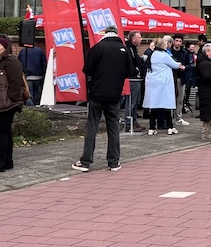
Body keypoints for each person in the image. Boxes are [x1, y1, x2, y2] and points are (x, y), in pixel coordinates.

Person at [71, 25, 134, 172]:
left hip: (97, 93)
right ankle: (114, 161)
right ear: (116, 34)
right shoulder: (124, 50)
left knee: (92, 126)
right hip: (114, 94)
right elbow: (130, 71)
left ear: (105, 34)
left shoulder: (97, 48)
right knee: (113, 127)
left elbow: (87, 70)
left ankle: (86, 161)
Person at [0, 36, 27, 173]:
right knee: (4, 132)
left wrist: (11, 99)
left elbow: (16, 83)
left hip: (6, 104)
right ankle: (7, 161)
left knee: (2, 133)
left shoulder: (11, 61)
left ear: (5, 47)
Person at [144, 35, 181, 135]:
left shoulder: (152, 54)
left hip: (153, 82)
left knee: (154, 105)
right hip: (163, 83)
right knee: (166, 104)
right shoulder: (164, 55)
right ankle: (170, 127)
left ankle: (151, 128)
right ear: (162, 45)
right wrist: (180, 65)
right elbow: (174, 64)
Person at [124, 31, 147, 132]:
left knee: (136, 101)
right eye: (139, 37)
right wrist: (136, 70)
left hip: (137, 78)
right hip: (133, 78)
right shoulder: (129, 49)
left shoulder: (134, 49)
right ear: (133, 39)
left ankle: (134, 121)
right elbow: (130, 62)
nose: (141, 39)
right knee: (131, 102)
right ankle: (128, 123)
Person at [168, 35, 191, 126]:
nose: (178, 43)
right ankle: (170, 117)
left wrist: (185, 67)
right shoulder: (169, 52)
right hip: (171, 77)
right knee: (170, 98)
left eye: (180, 41)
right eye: (176, 40)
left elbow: (189, 65)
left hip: (181, 77)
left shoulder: (184, 52)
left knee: (180, 99)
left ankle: (178, 117)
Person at [17, 42, 47, 106]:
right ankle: (36, 106)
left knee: (28, 94)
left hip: (27, 77)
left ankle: (31, 109)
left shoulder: (23, 51)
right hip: (38, 76)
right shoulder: (40, 51)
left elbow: (19, 64)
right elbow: (44, 63)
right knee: (37, 93)